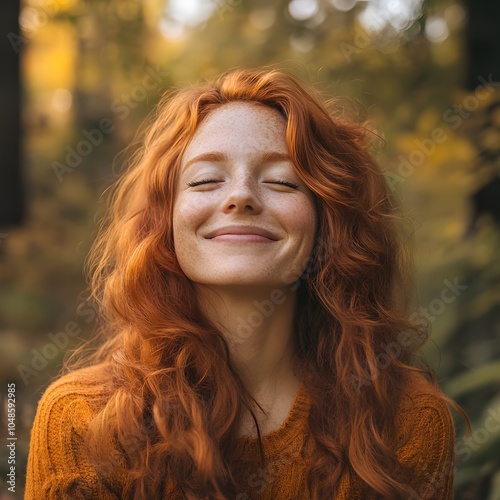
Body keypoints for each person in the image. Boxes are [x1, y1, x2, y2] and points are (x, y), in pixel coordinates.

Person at [25, 68, 469, 499]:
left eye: (281, 180)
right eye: (205, 180)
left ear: (327, 222)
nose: (240, 197)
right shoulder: (80, 421)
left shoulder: (407, 423)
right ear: (165, 223)